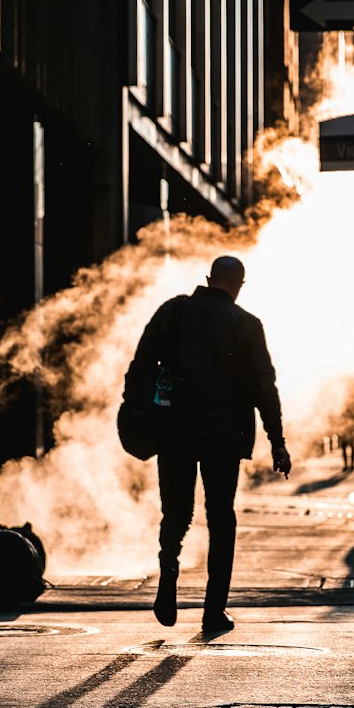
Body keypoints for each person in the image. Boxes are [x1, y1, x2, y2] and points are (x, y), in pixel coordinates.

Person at [122, 254, 291, 637]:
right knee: (221, 518)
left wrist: (138, 413)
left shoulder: (174, 312)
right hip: (224, 438)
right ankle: (213, 612)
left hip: (174, 433)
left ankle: (169, 571)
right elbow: (265, 388)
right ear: (239, 286)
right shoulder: (247, 325)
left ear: (209, 278)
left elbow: (140, 366)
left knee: (177, 513)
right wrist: (277, 442)